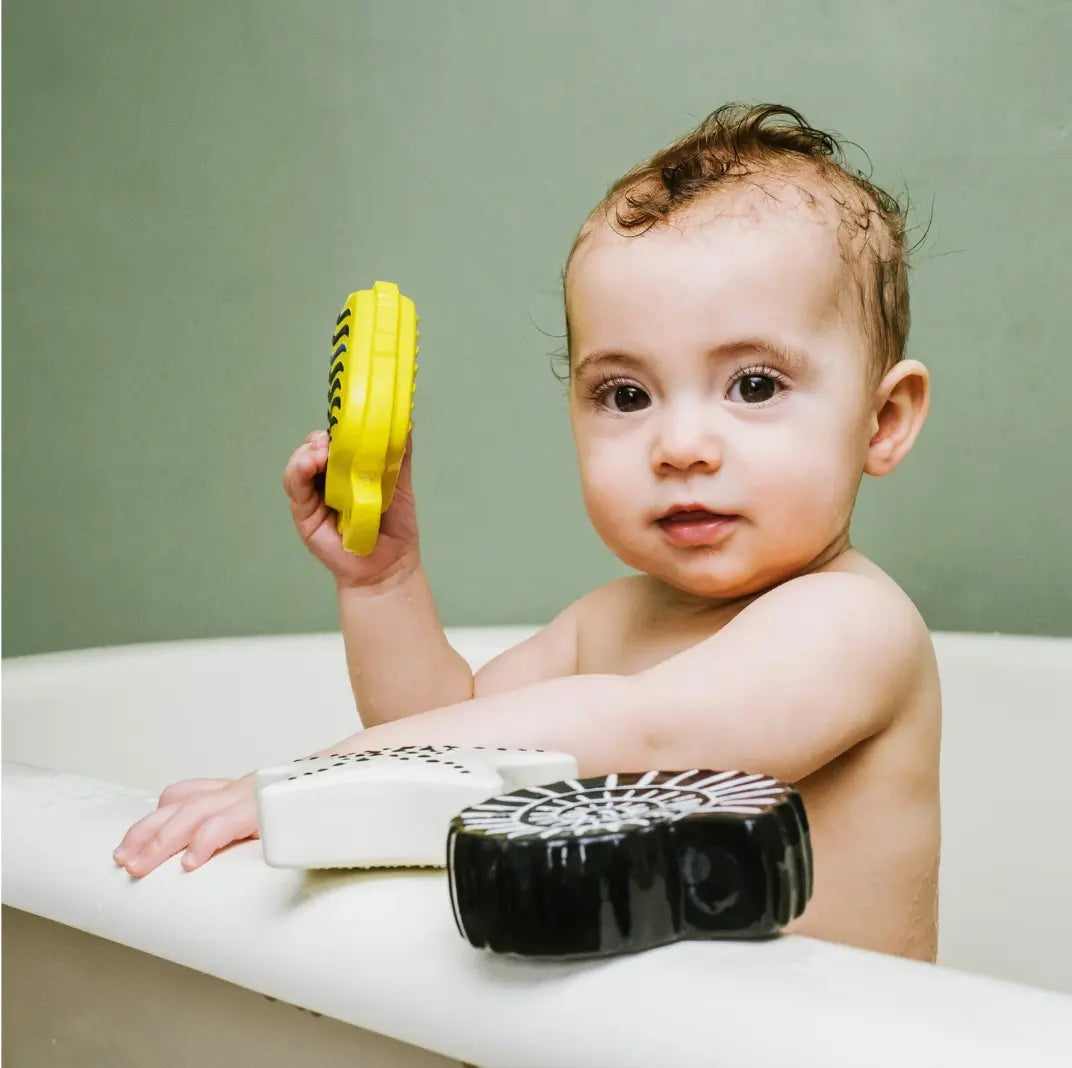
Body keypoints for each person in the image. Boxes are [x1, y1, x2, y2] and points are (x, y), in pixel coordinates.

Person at [113, 103, 940, 962]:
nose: (682, 447)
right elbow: (448, 736)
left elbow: (647, 731)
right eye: (626, 395)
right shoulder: (611, 622)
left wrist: (319, 775)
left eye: (755, 386)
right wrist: (385, 584)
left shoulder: (853, 624)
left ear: (881, 421)